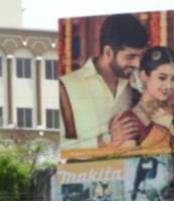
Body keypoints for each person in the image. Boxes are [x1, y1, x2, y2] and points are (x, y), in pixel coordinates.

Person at [59, 14, 148, 150]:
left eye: (140, 57)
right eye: (130, 57)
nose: (137, 63)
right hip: (86, 171)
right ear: (108, 52)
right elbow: (57, 147)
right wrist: (106, 140)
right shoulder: (66, 87)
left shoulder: (136, 86)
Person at [109, 46, 174, 150]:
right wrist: (162, 130)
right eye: (162, 78)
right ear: (144, 76)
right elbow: (129, 163)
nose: (169, 86)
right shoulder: (128, 121)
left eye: (173, 79)